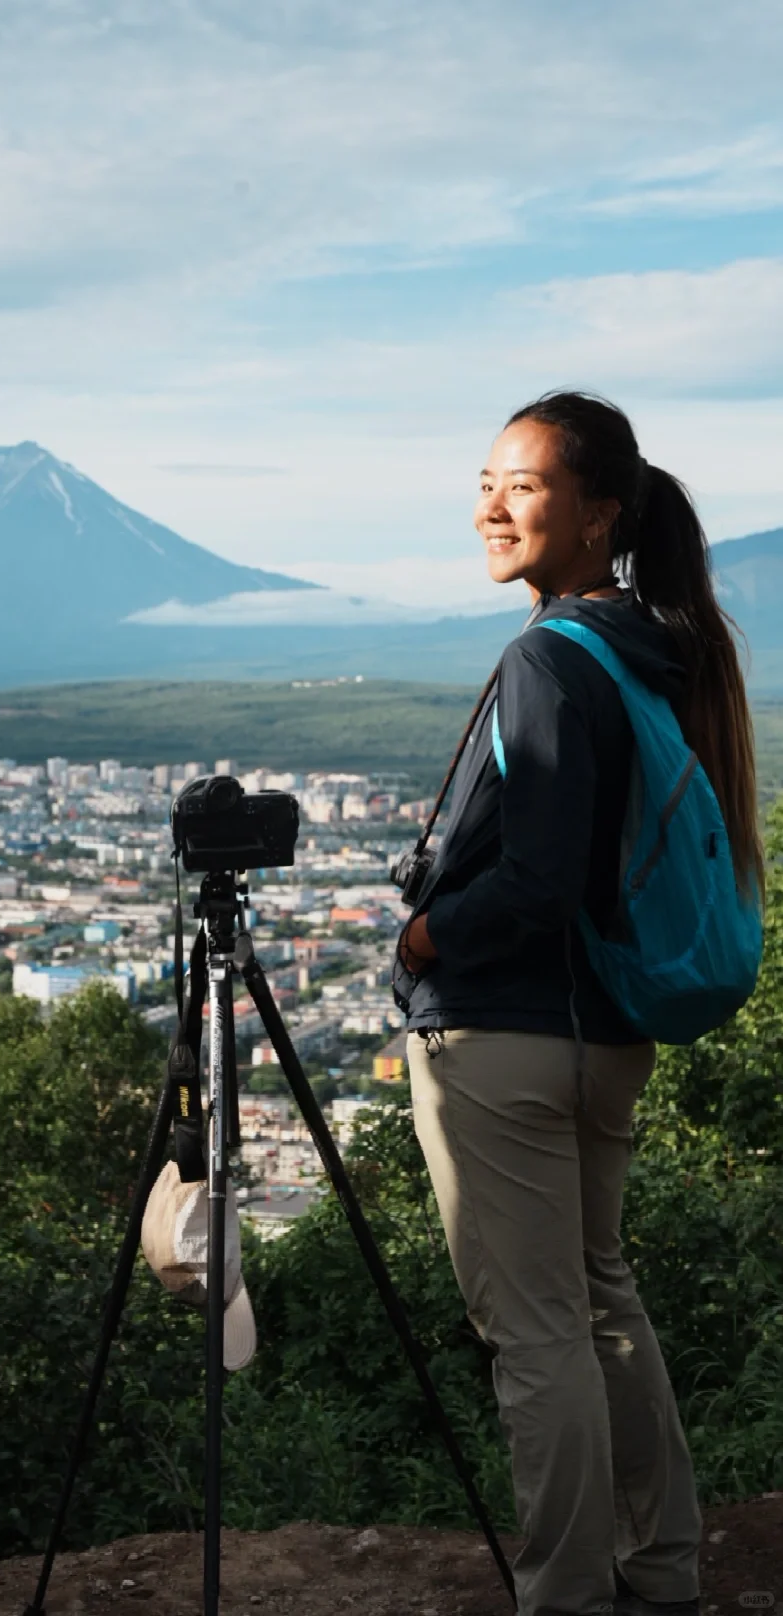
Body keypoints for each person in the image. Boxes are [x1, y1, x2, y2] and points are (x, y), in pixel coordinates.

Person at [395, 392, 762, 1616]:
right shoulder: (644, 647)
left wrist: (428, 929)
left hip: (503, 1037)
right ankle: (659, 1566)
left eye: (523, 484)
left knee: (536, 1332)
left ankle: (562, 1594)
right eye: (483, 481)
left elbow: (539, 877)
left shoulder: (549, 657)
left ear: (598, 513)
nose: (490, 506)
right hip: (601, 1033)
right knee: (600, 1301)